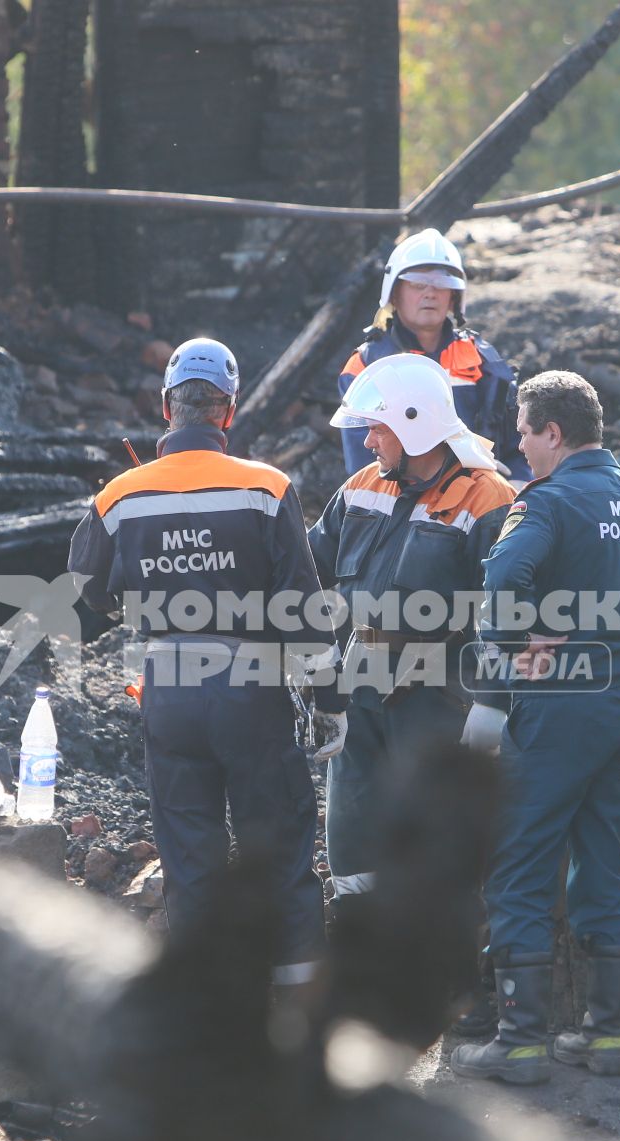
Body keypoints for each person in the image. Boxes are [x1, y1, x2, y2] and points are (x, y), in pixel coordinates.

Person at [452, 371, 620, 1085]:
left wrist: (521, 642)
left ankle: (520, 1042)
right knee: (606, 863)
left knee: (520, 863)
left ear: (554, 434)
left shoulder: (548, 502)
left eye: (524, 429)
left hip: (560, 705)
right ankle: (605, 1039)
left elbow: (502, 581)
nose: (517, 442)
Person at [68, 337, 347, 990]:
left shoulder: (119, 496)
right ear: (229, 410)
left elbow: (86, 586)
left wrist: (133, 604)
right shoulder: (265, 487)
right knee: (276, 846)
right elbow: (304, 609)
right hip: (250, 688)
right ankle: (298, 1001)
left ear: (169, 407)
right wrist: (332, 699)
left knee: (189, 855)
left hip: (168, 686)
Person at [308, 353, 517, 1027]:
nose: (368, 441)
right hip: (358, 690)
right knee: (352, 847)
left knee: (438, 852)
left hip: (436, 699)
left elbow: (509, 616)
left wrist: (491, 703)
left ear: (416, 424)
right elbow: (306, 568)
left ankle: (463, 998)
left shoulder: (489, 501)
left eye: (377, 429)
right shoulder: (363, 486)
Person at [337, 229, 526, 482]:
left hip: (480, 497)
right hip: (397, 500)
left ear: (454, 296)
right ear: (394, 293)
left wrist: (513, 495)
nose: (430, 293)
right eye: (418, 284)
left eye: (441, 284)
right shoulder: (364, 365)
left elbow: (520, 447)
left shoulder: (482, 361)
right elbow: (363, 465)